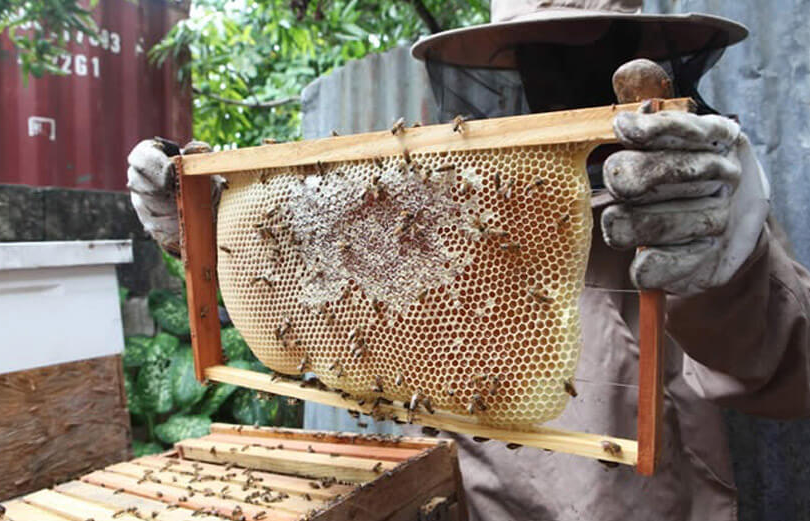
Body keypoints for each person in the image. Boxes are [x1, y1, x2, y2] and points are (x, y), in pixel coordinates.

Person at [126, 1, 810, 519]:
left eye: (583, 46)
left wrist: (731, 264)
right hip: (470, 500)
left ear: (648, 50)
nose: (554, 72)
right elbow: (329, 297)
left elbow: (789, 373)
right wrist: (209, 229)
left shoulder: (706, 191)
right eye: (534, 54)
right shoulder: (434, 202)